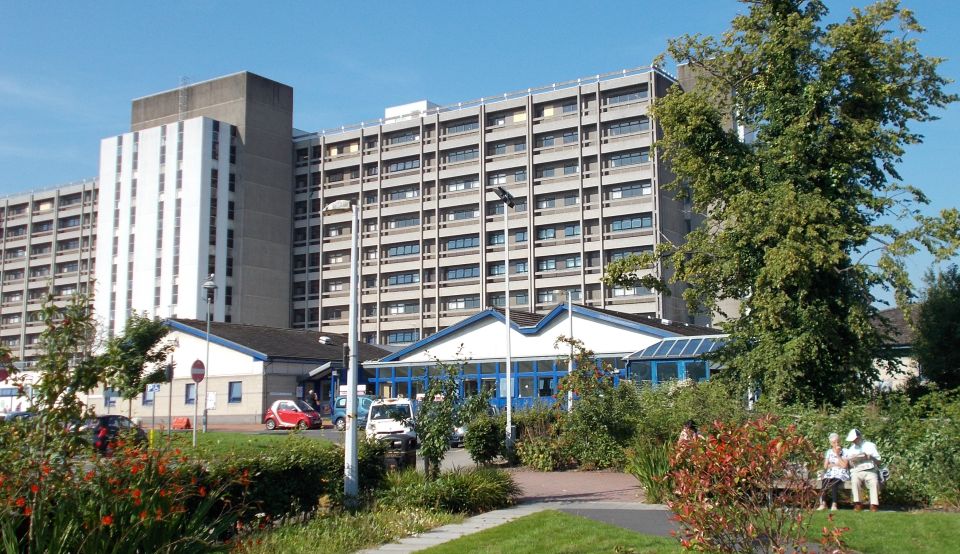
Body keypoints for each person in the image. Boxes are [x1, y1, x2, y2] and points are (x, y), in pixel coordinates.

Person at [845, 428, 882, 511]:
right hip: (857, 470)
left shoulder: (870, 445)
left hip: (870, 469)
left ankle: (874, 505)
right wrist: (853, 460)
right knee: (855, 480)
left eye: (855, 439)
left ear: (859, 437)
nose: (853, 441)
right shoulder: (851, 449)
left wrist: (870, 457)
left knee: (874, 482)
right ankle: (858, 503)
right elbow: (850, 464)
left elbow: (879, 461)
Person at [818, 432, 849, 511]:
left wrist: (837, 455)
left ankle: (834, 504)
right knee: (824, 481)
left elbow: (845, 466)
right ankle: (823, 504)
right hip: (830, 473)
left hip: (841, 473)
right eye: (834, 442)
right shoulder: (829, 452)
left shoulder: (845, 451)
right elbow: (825, 466)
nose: (837, 444)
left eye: (838, 441)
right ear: (831, 443)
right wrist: (837, 464)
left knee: (834, 483)